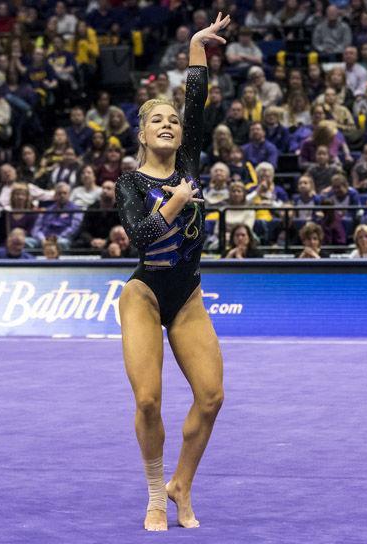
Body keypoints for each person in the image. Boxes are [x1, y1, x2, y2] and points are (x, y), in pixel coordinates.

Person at [115, 14, 230, 532]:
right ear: (141, 133)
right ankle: (155, 493)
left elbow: (197, 98)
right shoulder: (130, 182)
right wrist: (177, 202)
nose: (168, 123)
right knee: (147, 399)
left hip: (186, 295)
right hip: (144, 293)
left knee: (211, 398)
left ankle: (181, 483)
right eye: (156, 120)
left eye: (173, 120)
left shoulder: (188, 160)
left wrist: (195, 47)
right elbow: (138, 236)